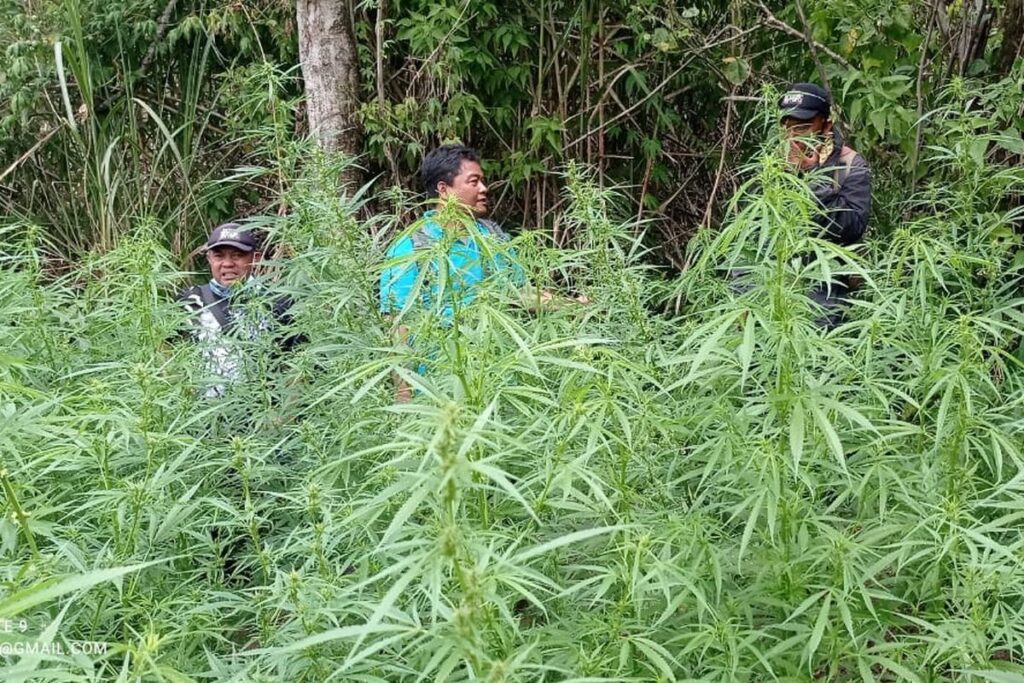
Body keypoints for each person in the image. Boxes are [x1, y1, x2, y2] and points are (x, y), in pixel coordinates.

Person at [779, 82, 872, 327]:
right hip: (778, 285)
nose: (794, 137)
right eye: (788, 128)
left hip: (827, 288)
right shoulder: (773, 165)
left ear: (826, 124)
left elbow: (852, 227)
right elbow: (751, 235)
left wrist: (813, 177)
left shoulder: (850, 165)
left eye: (803, 127)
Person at [177, 222, 302, 398]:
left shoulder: (278, 302)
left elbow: (299, 364)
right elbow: (165, 350)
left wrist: (283, 416)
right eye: (219, 256)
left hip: (263, 413)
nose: (227, 264)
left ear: (255, 258)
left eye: (237, 256)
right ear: (210, 259)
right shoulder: (191, 301)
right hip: (205, 416)